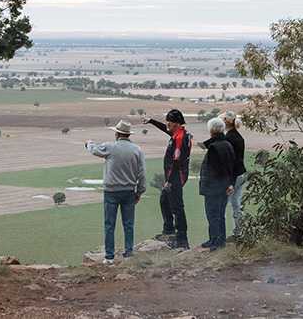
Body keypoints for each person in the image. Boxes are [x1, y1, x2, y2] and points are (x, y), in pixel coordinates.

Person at [85, 120, 147, 264]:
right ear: (128, 134)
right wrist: (139, 192)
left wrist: (89, 143)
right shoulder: (137, 150)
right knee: (128, 224)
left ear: (117, 134)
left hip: (111, 192)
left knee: (109, 225)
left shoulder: (110, 147)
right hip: (129, 192)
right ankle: (129, 252)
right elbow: (142, 173)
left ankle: (109, 257)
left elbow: (94, 150)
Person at [143, 109, 191, 250]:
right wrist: (151, 121)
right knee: (164, 201)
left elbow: (176, 161)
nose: (166, 123)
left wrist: (169, 181)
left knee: (177, 208)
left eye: (168, 121)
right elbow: (166, 129)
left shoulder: (180, 138)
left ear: (175, 123)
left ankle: (182, 239)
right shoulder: (178, 133)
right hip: (173, 177)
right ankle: (169, 229)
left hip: (176, 177)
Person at [199, 117, 236, 251]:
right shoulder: (227, 144)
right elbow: (232, 167)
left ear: (211, 131)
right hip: (223, 187)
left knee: (213, 216)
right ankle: (217, 240)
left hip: (213, 188)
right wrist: (229, 184)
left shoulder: (214, 147)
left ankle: (215, 243)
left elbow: (214, 171)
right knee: (220, 215)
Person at [222, 111, 247, 240]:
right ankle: (239, 232)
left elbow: (229, 161)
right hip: (242, 174)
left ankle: (220, 234)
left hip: (233, 176)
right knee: (236, 204)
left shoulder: (228, 138)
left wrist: (229, 181)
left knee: (223, 203)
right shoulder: (239, 137)